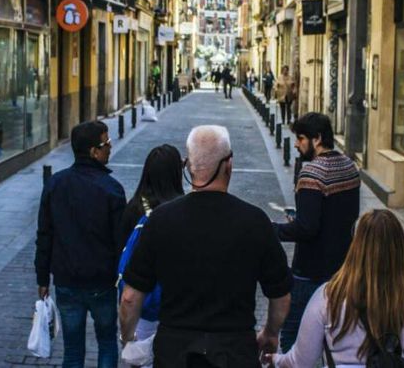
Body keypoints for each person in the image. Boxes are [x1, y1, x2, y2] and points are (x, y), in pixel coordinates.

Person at [119, 126, 292, 367]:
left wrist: (127, 337)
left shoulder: (160, 220)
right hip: (234, 352)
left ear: (190, 166)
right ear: (228, 164)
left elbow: (129, 297)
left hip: (175, 353)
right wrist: (270, 333)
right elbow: (280, 295)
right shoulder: (255, 221)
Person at [268, 209, 404, 367]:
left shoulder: (329, 298)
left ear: (355, 248)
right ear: (400, 252)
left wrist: (274, 360)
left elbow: (299, 363)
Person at [35, 121, 126, 368]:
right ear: (93, 152)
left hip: (67, 282)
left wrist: (42, 279)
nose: (110, 147)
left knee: (72, 350)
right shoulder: (112, 189)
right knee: (107, 342)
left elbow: (45, 235)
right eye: (105, 143)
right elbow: (121, 242)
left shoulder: (55, 184)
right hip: (102, 283)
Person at [273, 112, 361, 352]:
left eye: (301, 138)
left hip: (310, 272)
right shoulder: (350, 167)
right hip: (343, 270)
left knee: (292, 335)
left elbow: (307, 228)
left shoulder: (312, 172)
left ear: (317, 138)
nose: (298, 144)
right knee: (334, 337)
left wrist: (275, 230)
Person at [118, 144, 185, 346]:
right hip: (177, 306)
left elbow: (121, 252)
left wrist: (125, 334)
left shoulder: (134, 208)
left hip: (141, 306)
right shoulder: (182, 209)